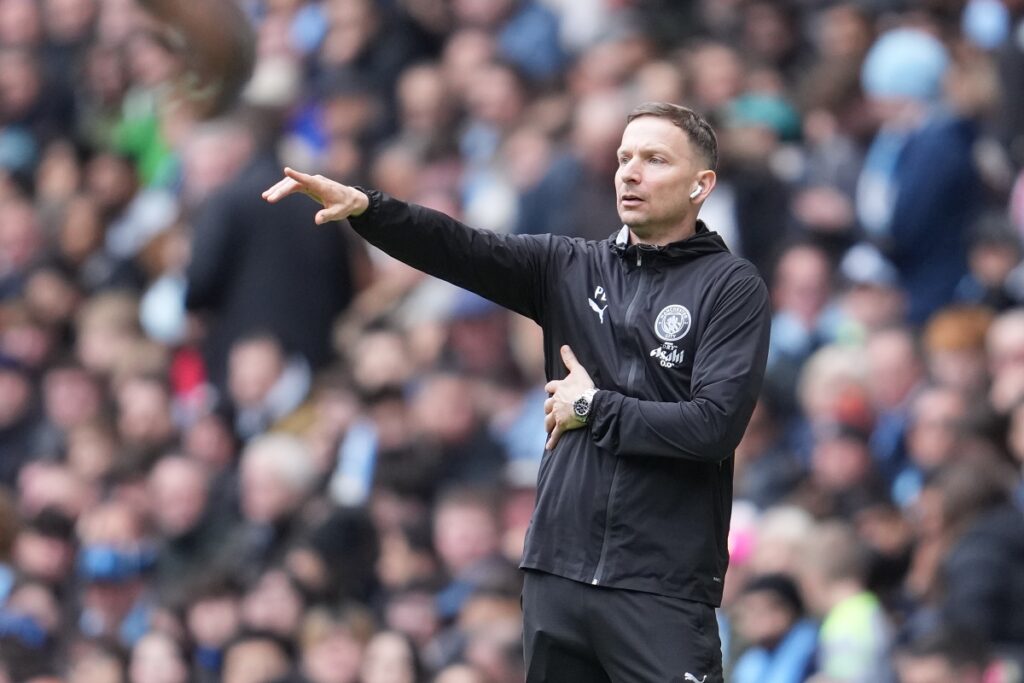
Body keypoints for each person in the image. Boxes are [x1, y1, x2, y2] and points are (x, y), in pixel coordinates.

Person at [263, 101, 772, 682]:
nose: (630, 172)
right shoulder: (570, 267)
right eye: (623, 157)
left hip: (659, 586)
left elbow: (712, 428)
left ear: (700, 185)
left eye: (654, 160)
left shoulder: (731, 287)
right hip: (556, 574)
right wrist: (369, 209)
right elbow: (461, 248)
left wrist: (594, 407)